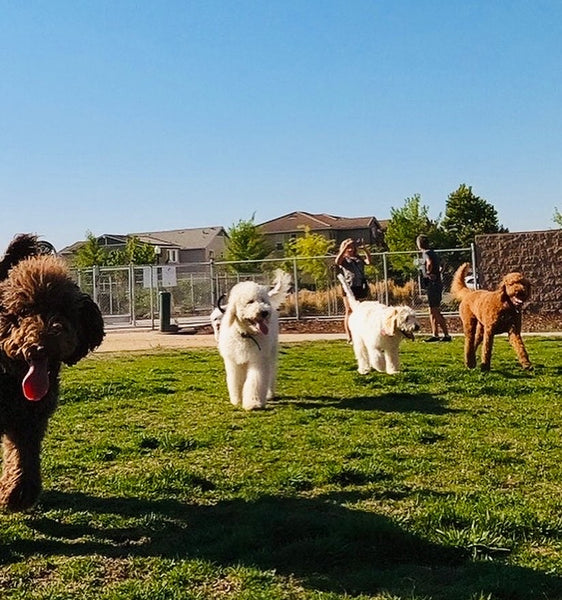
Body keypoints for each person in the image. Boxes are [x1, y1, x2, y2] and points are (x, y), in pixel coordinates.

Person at [416, 234, 451, 342]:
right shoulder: (433, 252)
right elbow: (443, 264)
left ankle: (446, 335)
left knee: (435, 310)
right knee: (431, 310)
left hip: (433, 284)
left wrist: (428, 272)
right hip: (435, 283)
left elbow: (430, 263)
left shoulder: (426, 253)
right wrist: (439, 272)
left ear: (419, 243)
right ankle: (435, 335)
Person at [335, 238, 371, 342]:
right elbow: (337, 261)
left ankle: (362, 334)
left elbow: (368, 262)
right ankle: (349, 336)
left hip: (360, 285)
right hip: (349, 287)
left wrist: (365, 250)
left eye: (352, 247)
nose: (350, 249)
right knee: (349, 311)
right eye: (348, 247)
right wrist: (344, 248)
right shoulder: (344, 259)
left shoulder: (358, 258)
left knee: (362, 310)